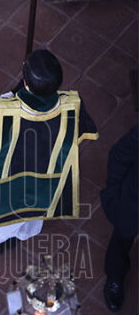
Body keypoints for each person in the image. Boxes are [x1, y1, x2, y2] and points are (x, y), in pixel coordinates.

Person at [0, 49, 98, 251]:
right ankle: (20, 234)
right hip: (44, 177)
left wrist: (12, 94)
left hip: (5, 181)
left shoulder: (2, 109)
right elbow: (81, 131)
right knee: (31, 211)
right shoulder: (73, 106)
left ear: (26, 82)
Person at [101, 124, 138, 312]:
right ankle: (114, 278)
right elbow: (120, 155)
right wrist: (115, 190)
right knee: (121, 240)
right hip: (133, 204)